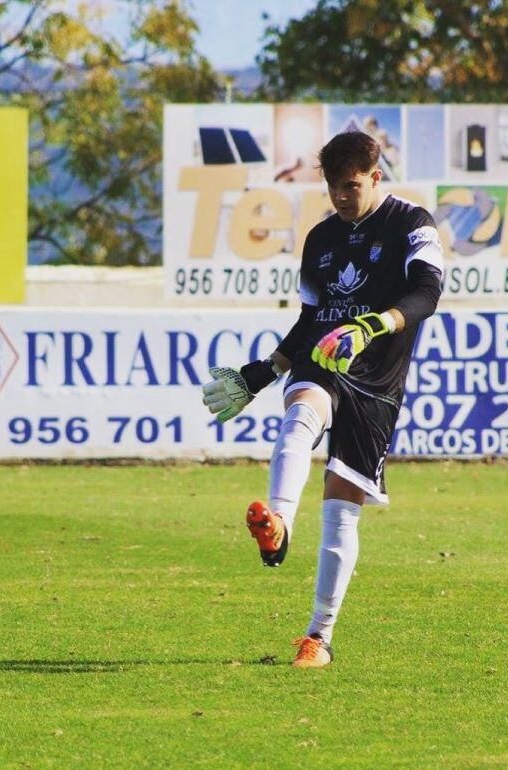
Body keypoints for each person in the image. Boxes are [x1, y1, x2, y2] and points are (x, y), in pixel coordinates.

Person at [202, 131, 443, 669]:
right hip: (323, 359)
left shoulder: (413, 224)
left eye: (351, 186)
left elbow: (427, 292)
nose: (341, 196)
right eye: (333, 187)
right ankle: (278, 525)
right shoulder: (320, 239)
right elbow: (312, 320)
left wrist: (372, 326)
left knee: (340, 513)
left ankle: (318, 637)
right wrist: (262, 373)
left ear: (375, 177)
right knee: (299, 417)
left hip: (377, 378)